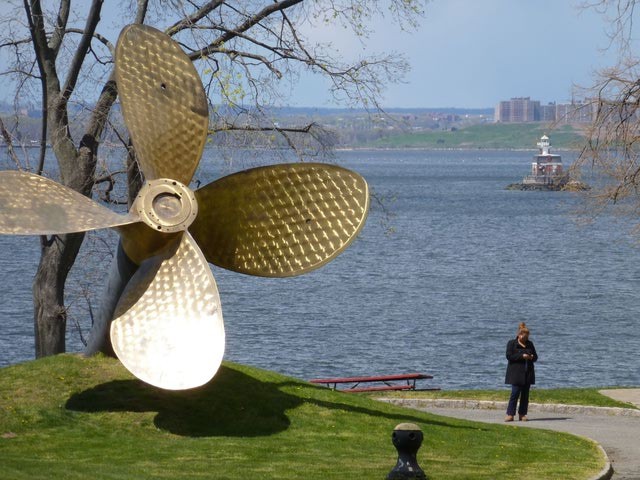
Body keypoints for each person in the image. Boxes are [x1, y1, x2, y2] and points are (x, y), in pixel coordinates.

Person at [504, 322, 538, 422]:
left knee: (525, 395)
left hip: (527, 373)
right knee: (514, 394)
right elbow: (509, 356)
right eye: (524, 336)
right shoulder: (512, 343)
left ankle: (522, 414)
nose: (525, 338)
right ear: (519, 335)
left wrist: (531, 357)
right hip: (516, 374)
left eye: (527, 336)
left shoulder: (530, 344)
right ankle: (510, 414)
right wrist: (521, 356)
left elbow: (535, 357)